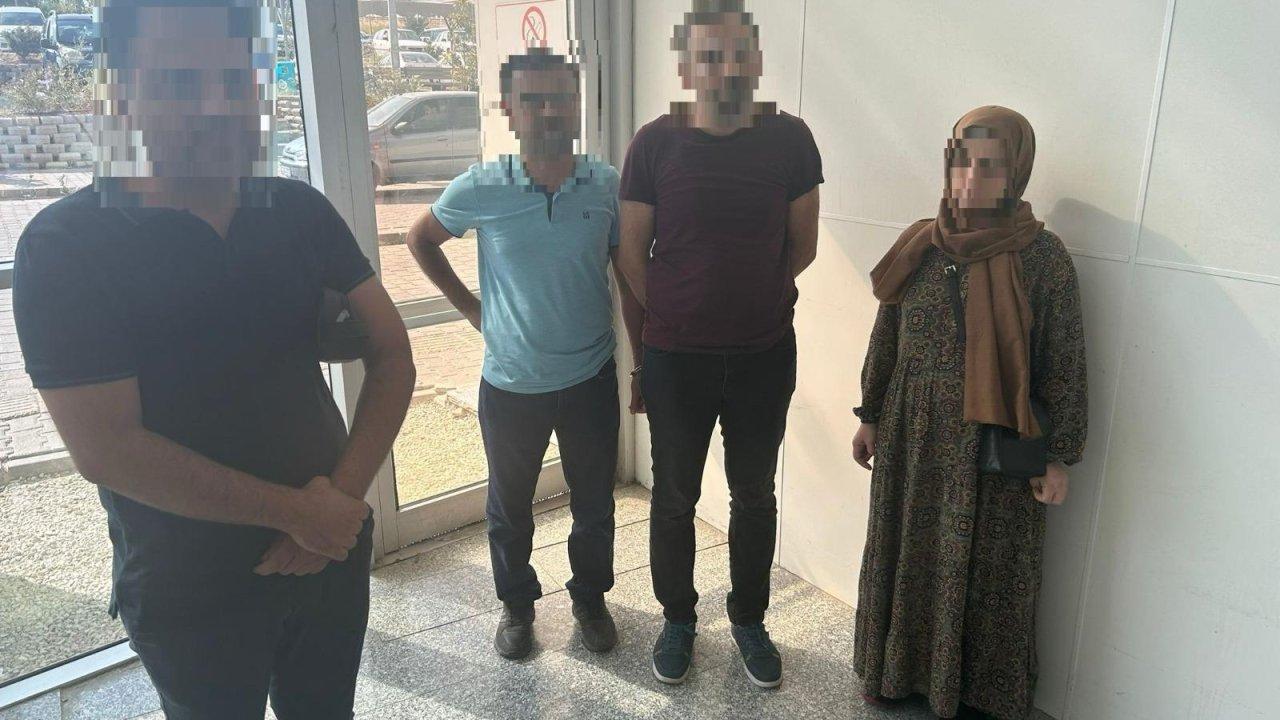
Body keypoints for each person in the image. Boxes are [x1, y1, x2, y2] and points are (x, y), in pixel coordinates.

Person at [11, 2, 415, 718]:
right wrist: (299, 514)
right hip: (189, 588)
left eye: (233, 79)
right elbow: (107, 448)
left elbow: (391, 354)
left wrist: (339, 507)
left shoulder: (297, 210)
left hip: (330, 554)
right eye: (176, 79)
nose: (214, 104)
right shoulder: (66, 245)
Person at [849, 106, 1088, 720]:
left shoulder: (1043, 258)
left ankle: (977, 693)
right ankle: (895, 674)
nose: (970, 177)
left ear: (1017, 172)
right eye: (961, 160)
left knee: (989, 571)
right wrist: (870, 413)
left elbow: (1063, 360)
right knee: (907, 555)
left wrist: (1058, 457)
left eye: (989, 165)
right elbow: (887, 335)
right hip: (913, 437)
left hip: (996, 446)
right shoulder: (920, 243)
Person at [405, 47, 644, 660]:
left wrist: (641, 363)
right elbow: (420, 238)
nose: (548, 110)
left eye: (560, 97)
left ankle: (590, 598)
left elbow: (628, 276)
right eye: (533, 99)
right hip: (511, 383)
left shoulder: (606, 184)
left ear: (577, 105)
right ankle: (516, 605)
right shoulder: (482, 185)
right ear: (510, 110)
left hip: (590, 376)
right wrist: (471, 309)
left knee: (594, 504)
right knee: (509, 509)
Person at [616, 0, 822, 689]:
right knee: (675, 496)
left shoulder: (790, 139)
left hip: (764, 352)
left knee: (753, 495)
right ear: (687, 64)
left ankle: (749, 621)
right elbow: (631, 252)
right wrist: (678, 314)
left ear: (754, 61)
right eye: (707, 54)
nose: (722, 66)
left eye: (735, 52)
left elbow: (802, 246)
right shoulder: (655, 143)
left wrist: (749, 299)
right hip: (678, 358)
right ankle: (678, 620)